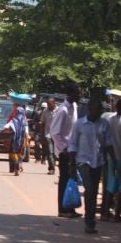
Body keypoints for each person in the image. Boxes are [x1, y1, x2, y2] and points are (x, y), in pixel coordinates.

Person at [68, 97, 115, 235]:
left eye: (101, 110)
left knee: (93, 192)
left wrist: (114, 161)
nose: (100, 112)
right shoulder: (80, 124)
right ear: (90, 109)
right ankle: (89, 222)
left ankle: (90, 221)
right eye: (98, 109)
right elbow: (72, 143)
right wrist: (72, 164)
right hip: (83, 161)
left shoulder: (104, 124)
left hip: (98, 162)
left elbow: (108, 143)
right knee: (89, 189)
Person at [50, 83, 80, 218]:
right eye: (77, 93)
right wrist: (63, 148)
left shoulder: (74, 107)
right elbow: (54, 132)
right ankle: (62, 209)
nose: (79, 96)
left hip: (74, 149)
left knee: (72, 180)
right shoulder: (63, 110)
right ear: (69, 94)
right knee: (64, 179)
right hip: (65, 151)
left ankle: (70, 207)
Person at [2, 102, 29, 175]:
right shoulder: (25, 122)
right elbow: (26, 133)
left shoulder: (13, 121)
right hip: (22, 141)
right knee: (19, 154)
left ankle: (16, 168)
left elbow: (6, 127)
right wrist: (26, 141)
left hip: (14, 140)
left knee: (14, 154)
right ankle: (19, 166)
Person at [39, 99, 56, 174]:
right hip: (48, 135)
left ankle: (53, 165)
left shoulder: (59, 111)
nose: (48, 105)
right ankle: (51, 169)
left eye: (50, 104)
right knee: (50, 152)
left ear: (54, 103)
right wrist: (42, 135)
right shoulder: (45, 111)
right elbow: (42, 123)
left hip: (58, 136)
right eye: (48, 104)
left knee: (55, 153)